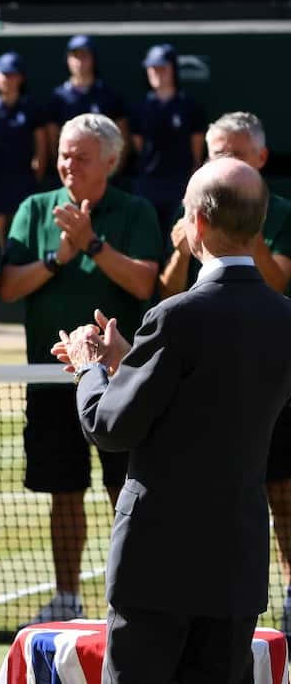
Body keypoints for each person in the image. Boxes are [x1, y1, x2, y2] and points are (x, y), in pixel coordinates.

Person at [55, 157, 291, 683]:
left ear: (198, 225)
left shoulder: (176, 315)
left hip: (157, 565)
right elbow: (212, 392)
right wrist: (127, 363)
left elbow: (109, 427)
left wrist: (90, 368)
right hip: (235, 563)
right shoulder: (282, 318)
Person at [0, 113, 160, 624]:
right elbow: (9, 287)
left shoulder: (134, 210)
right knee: (63, 493)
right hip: (52, 382)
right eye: (64, 154)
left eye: (81, 156)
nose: (68, 164)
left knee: (126, 492)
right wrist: (59, 257)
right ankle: (66, 595)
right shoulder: (33, 207)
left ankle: (134, 591)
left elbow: (142, 284)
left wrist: (92, 243)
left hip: (122, 380)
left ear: (110, 162)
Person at [157, 112, 291, 630]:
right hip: (206, 368)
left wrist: (244, 227)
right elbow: (169, 293)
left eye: (233, 153)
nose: (223, 162)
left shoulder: (278, 214)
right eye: (215, 153)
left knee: (280, 490)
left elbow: (277, 286)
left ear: (259, 158)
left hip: (264, 368)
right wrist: (181, 243)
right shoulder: (196, 210)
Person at [0, 52, 49, 241]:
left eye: (12, 74)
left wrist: (38, 167)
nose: (7, 79)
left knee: (23, 227)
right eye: (3, 73)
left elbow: (41, 143)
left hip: (23, 178)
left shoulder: (31, 107)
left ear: (21, 77)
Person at [129, 43, 206, 236]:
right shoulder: (140, 109)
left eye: (162, 67)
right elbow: (138, 144)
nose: (156, 72)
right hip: (147, 184)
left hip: (180, 184)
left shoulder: (190, 106)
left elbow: (196, 145)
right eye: (152, 68)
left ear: (173, 70)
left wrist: (192, 172)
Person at [48, 35, 128, 181]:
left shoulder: (109, 96)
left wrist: (110, 173)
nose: (79, 61)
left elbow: (122, 138)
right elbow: (53, 142)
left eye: (84, 55)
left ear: (93, 59)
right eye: (75, 56)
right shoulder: (58, 98)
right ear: (67, 60)